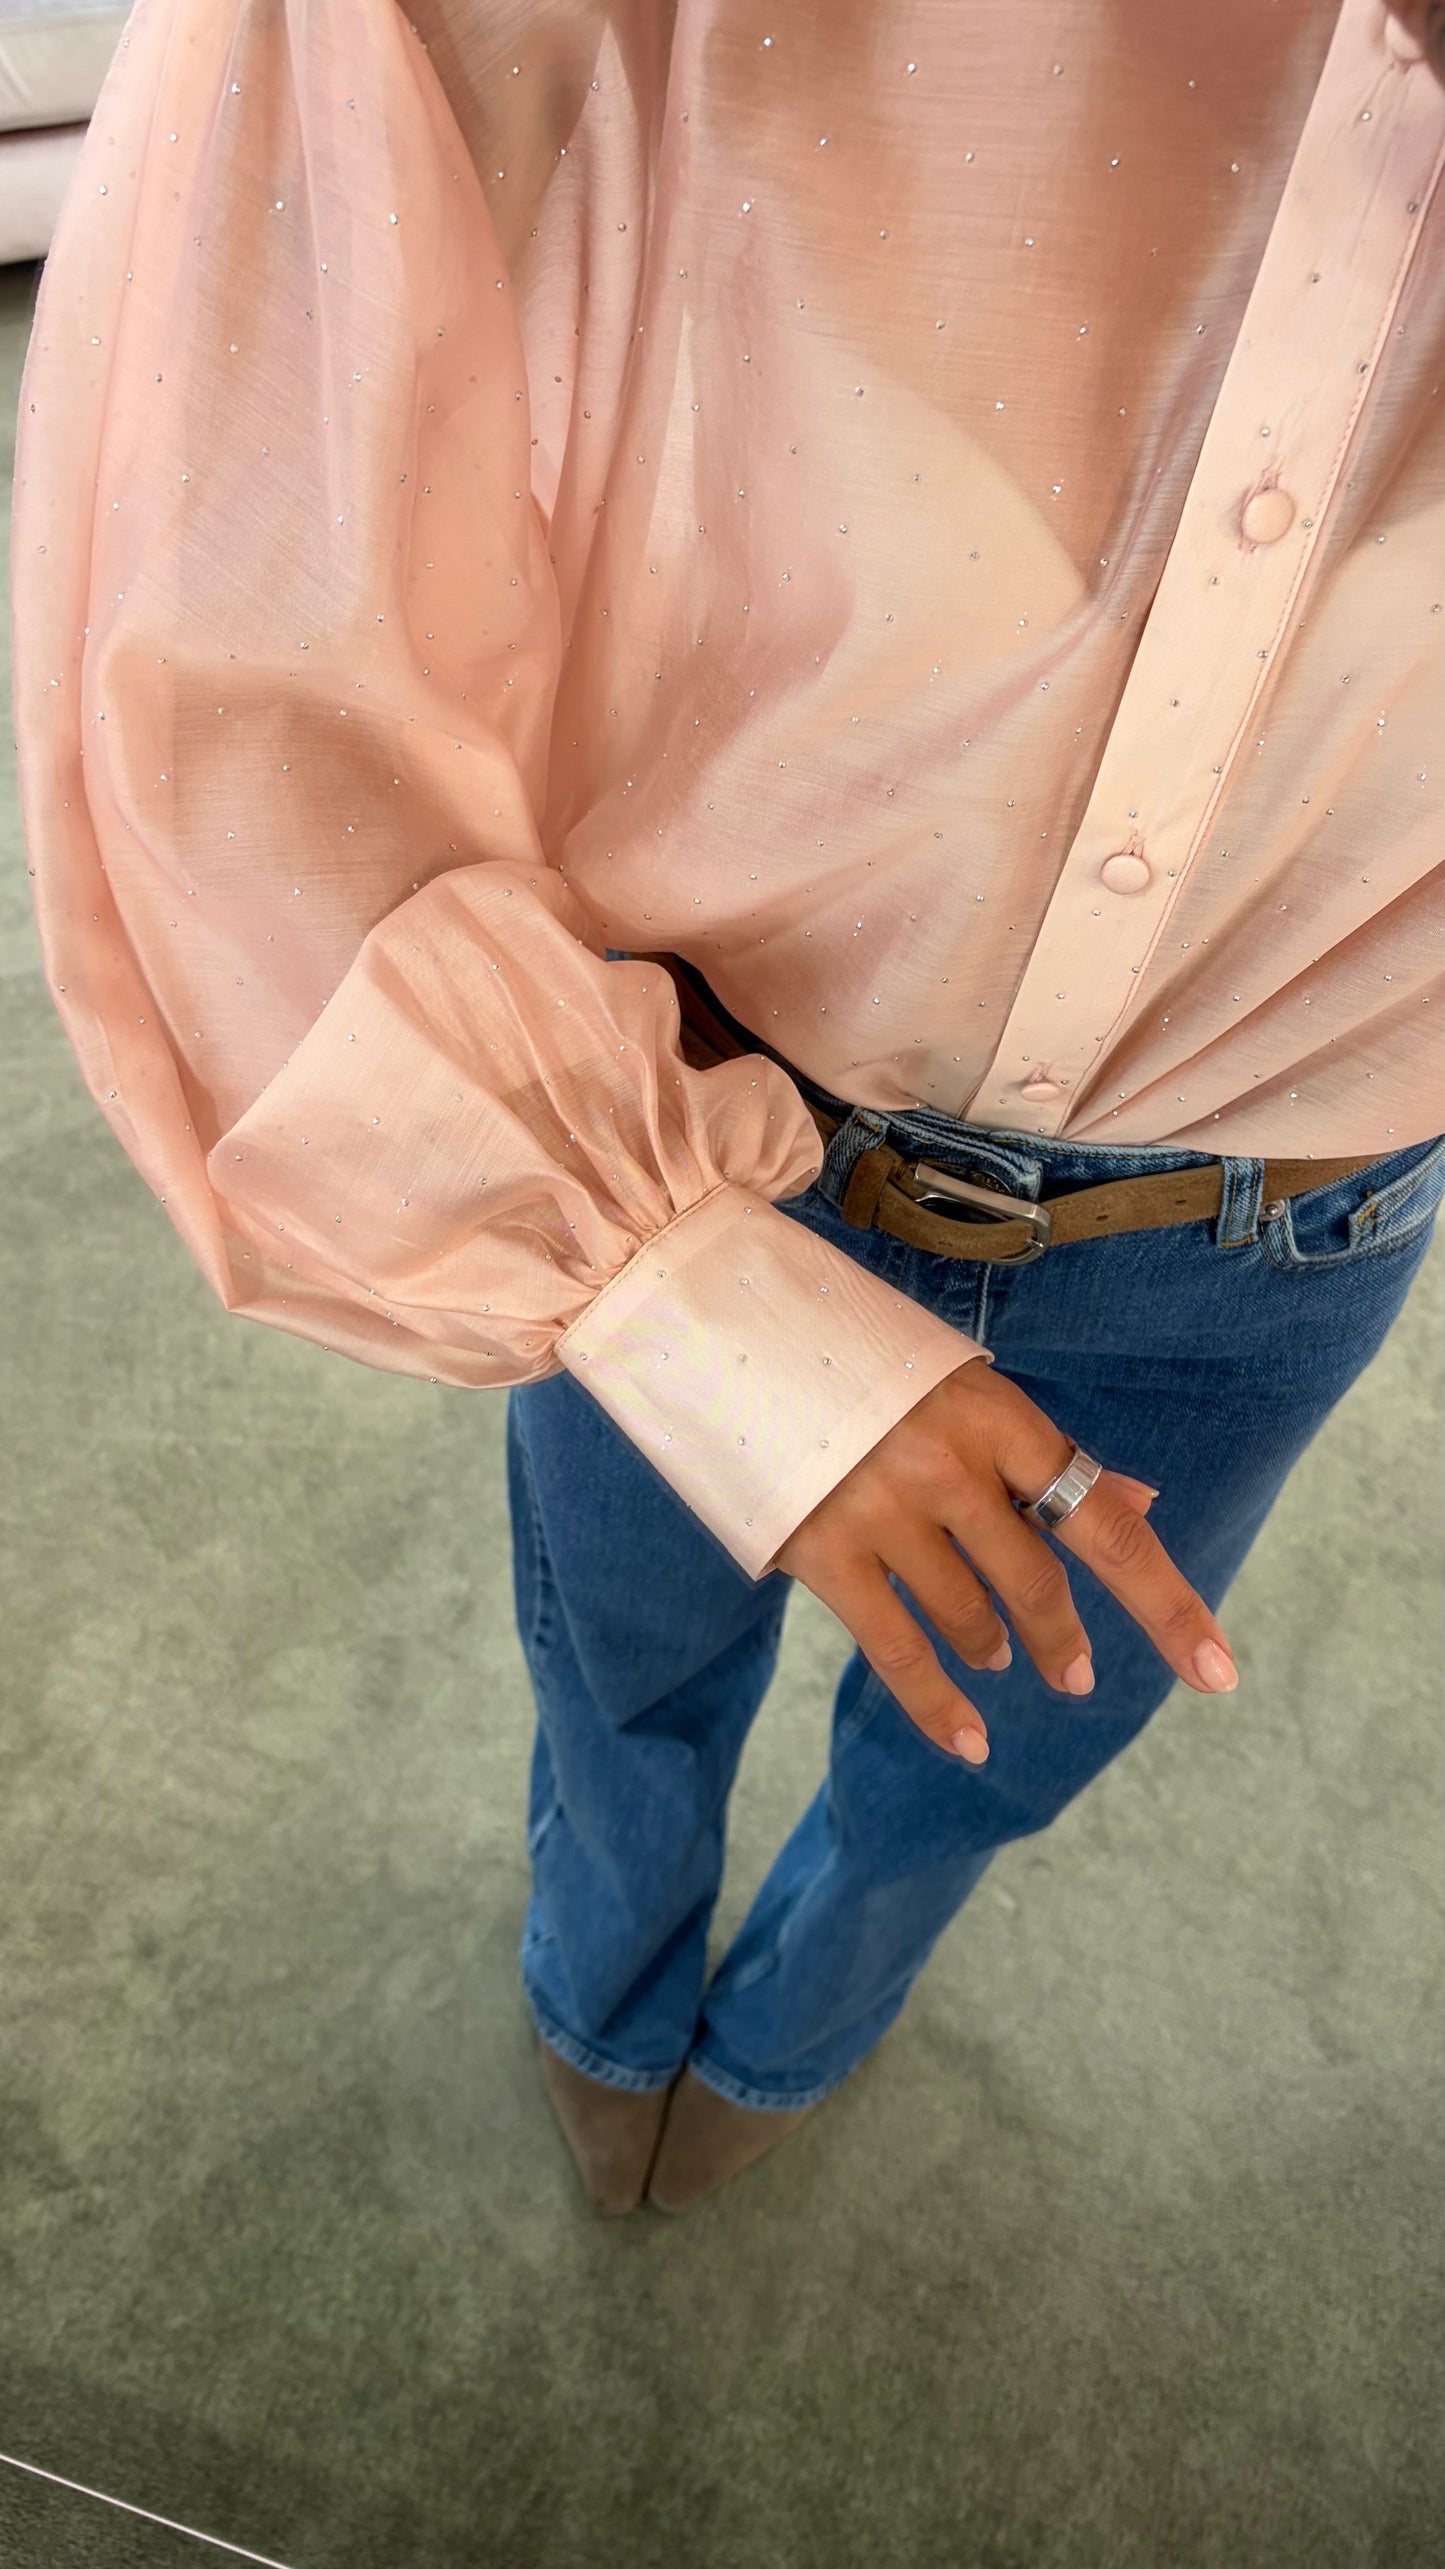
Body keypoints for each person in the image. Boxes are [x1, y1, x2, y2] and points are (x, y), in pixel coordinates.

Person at [12, 0, 1443, 2215]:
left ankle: (794, 2026)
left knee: (1012, 1728)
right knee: (619, 1653)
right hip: (696, 1118)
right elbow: (233, 579)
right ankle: (608, 1986)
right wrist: (644, 1256)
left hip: (1284, 1220)